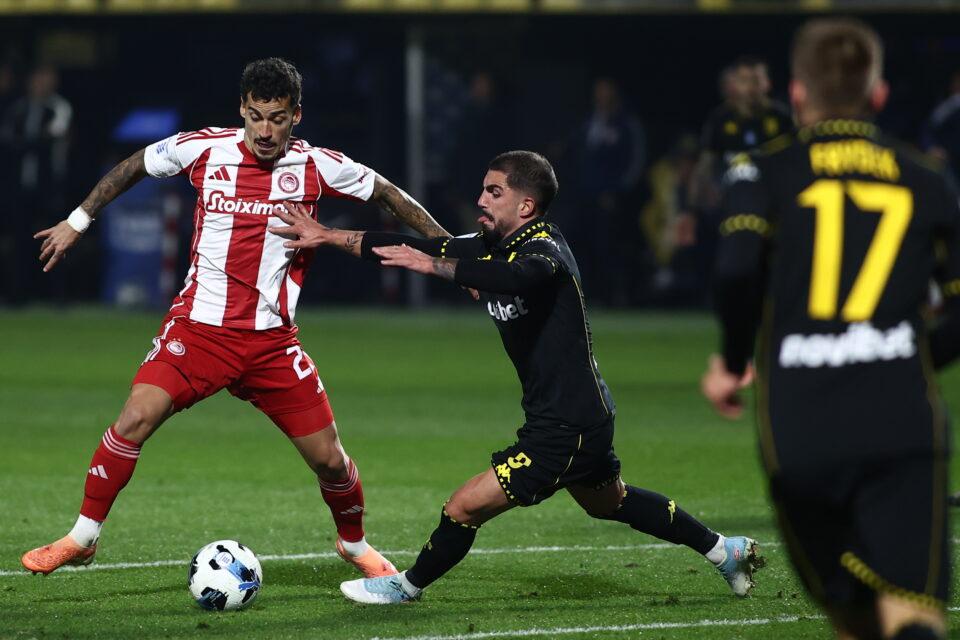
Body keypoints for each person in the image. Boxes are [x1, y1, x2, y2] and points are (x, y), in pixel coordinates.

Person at [270, 150, 762, 605]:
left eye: (494, 192)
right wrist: (328, 236)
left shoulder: (545, 248)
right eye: (483, 189)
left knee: (463, 507)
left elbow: (521, 276)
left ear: (526, 205)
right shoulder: (491, 245)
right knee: (611, 502)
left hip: (565, 427)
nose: (481, 200)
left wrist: (440, 267)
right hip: (580, 415)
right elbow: (409, 245)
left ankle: (405, 586)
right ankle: (725, 550)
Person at [21, 57, 450, 578]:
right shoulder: (205, 149)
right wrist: (77, 221)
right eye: (256, 116)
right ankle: (83, 537)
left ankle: (355, 545)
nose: (265, 131)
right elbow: (135, 164)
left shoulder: (318, 166)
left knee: (330, 459)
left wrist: (450, 252)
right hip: (198, 331)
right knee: (134, 418)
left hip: (272, 345)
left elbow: (388, 194)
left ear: (296, 116)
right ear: (242, 110)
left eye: (277, 118)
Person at [702, 19, 960, 640]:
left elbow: (735, 271)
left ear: (795, 93)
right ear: (879, 94)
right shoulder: (925, 178)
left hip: (803, 422)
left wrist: (733, 361)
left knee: (853, 614)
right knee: (910, 605)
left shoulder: (761, 174)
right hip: (901, 418)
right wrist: (914, 356)